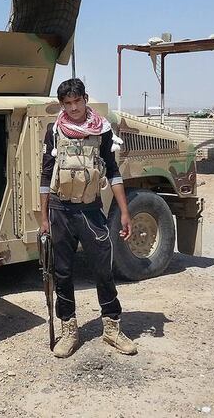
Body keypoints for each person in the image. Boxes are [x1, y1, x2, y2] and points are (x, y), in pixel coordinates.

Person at [39, 79, 137, 358]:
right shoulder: (54, 131)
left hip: (91, 210)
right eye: (67, 104)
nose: (73, 108)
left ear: (85, 99)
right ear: (62, 105)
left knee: (103, 269)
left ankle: (112, 328)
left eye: (77, 101)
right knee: (62, 272)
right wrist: (44, 216)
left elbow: (113, 172)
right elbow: (46, 175)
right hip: (60, 211)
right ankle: (69, 330)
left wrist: (125, 212)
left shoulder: (103, 130)